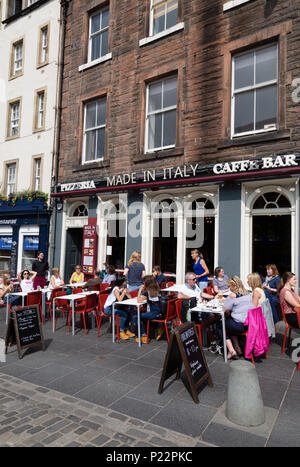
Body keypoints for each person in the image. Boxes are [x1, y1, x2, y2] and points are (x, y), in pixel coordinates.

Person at [216, 276, 253, 359]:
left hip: (239, 325)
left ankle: (231, 350)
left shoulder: (233, 295)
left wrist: (226, 302)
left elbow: (224, 309)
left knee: (219, 325)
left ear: (235, 286)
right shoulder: (247, 293)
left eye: (230, 286)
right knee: (228, 321)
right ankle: (237, 348)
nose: (229, 288)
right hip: (248, 324)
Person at [103, 276, 136, 340]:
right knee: (124, 314)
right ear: (122, 282)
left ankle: (126, 329)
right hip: (108, 309)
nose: (126, 282)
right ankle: (121, 332)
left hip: (115, 307)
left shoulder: (121, 288)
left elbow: (130, 298)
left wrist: (125, 292)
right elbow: (119, 300)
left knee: (128, 313)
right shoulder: (116, 289)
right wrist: (123, 292)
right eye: (125, 281)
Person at [133, 275, 162, 344]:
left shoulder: (147, 292)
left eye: (144, 282)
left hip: (153, 313)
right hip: (160, 312)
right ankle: (159, 328)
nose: (143, 284)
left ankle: (144, 335)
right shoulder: (157, 289)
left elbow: (138, 300)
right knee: (143, 316)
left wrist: (140, 290)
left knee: (136, 317)